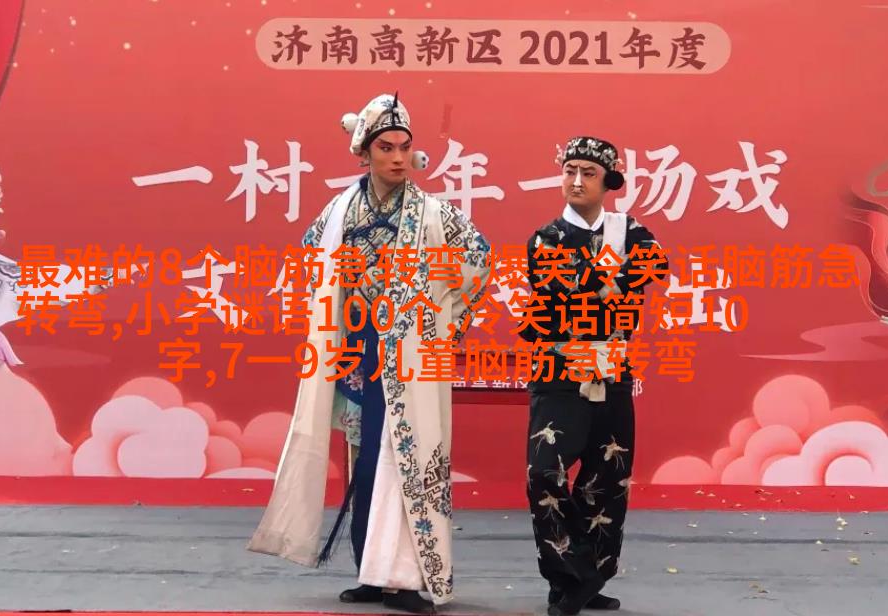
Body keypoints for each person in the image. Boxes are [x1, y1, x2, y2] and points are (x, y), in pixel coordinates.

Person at [248, 92, 492, 614]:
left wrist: (437, 320)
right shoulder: (341, 210)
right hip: (359, 351)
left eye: (405, 147)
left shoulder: (434, 214)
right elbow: (312, 257)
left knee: (406, 458)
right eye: (386, 147)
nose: (398, 158)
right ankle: (371, 572)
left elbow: (477, 262)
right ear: (365, 152)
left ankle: (404, 578)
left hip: (411, 351)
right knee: (365, 461)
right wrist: (344, 305)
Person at [520, 136, 668, 615]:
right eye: (570, 171)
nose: (577, 181)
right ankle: (574, 572)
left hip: (612, 368)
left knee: (606, 480)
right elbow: (564, 294)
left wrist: (602, 283)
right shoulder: (545, 238)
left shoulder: (632, 230)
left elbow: (654, 267)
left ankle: (587, 580)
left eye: (588, 173)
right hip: (559, 370)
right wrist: (610, 280)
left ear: (609, 182)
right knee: (545, 472)